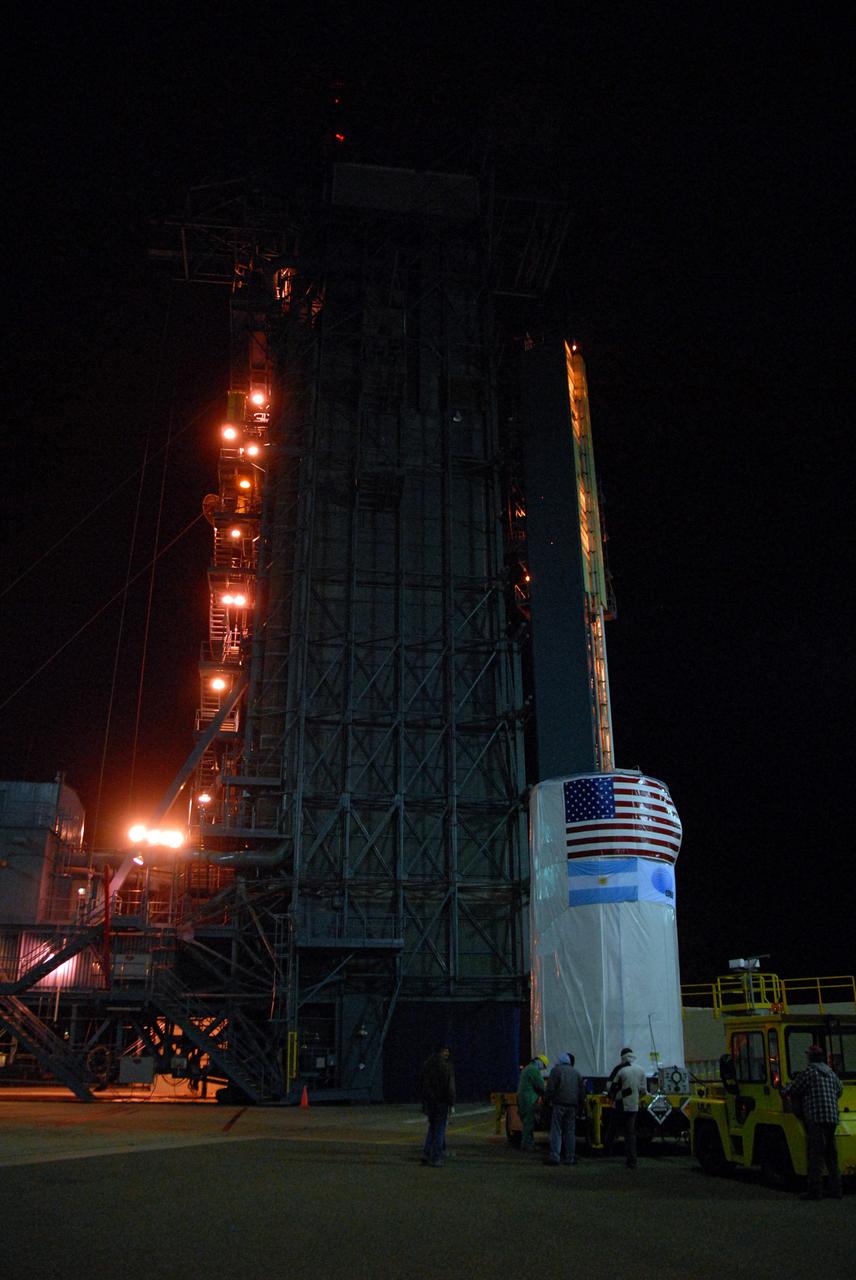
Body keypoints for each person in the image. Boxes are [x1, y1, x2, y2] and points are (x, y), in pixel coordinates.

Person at [784, 1043, 843, 1200]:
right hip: (832, 1118)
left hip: (816, 1118)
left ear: (810, 1058)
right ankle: (836, 1189)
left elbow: (793, 1089)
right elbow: (840, 1090)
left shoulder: (809, 1072)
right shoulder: (831, 1073)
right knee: (831, 1156)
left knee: (815, 1155)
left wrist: (783, 1089)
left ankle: (815, 1191)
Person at [608, 1046, 648, 1169]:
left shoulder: (620, 1070)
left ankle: (607, 1150)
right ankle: (632, 1159)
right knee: (630, 1132)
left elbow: (612, 1087)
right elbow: (643, 1090)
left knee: (613, 1128)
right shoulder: (641, 1070)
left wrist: (612, 1097)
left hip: (620, 1104)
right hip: (634, 1105)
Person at [544, 1052, 585, 1166]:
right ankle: (570, 1158)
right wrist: (580, 1105)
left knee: (556, 1130)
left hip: (559, 1104)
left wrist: (546, 1099)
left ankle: (555, 1157)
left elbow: (551, 1088)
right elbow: (582, 1091)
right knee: (570, 1132)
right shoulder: (576, 1073)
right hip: (572, 1105)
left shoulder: (556, 1071)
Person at [420, 1045, 456, 1167]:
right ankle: (436, 1157)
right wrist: (451, 1103)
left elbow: (424, 1086)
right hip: (442, 1102)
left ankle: (426, 1153)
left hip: (430, 1102)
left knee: (432, 1127)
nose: (447, 1054)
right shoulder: (447, 1067)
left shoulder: (427, 1066)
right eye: (445, 1051)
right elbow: (450, 1088)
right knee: (440, 1129)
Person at [517, 1054, 548, 1151]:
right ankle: (527, 1145)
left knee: (527, 1123)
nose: (542, 1069)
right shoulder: (534, 1070)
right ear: (540, 1062)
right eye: (543, 1066)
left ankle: (528, 1143)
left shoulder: (527, 1068)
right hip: (529, 1100)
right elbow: (541, 1086)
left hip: (524, 1099)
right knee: (529, 1124)